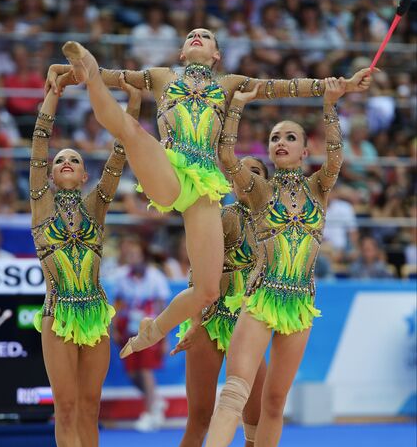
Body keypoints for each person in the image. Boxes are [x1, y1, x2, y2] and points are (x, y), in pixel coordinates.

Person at [45, 30, 372, 361]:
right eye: (192, 36)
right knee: (130, 131)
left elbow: (281, 86)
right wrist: (74, 70)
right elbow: (108, 76)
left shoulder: (230, 84)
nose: (198, 36)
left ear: (216, 55)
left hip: (205, 190)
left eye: (206, 36)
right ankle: (87, 55)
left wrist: (340, 85)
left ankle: (152, 332)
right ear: (182, 52)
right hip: (169, 170)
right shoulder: (161, 77)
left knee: (207, 290)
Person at [192, 76, 348, 447]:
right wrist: (236, 108)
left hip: (300, 304)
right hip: (261, 297)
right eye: (275, 137)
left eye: (290, 137)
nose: (280, 142)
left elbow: (337, 156)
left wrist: (330, 105)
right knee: (236, 390)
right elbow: (224, 158)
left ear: (305, 150)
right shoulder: (258, 192)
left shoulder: (321, 187)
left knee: (275, 404)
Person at [30, 72, 141, 447]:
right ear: (52, 174)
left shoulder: (96, 206)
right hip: (59, 315)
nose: (68, 162)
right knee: (68, 409)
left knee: (92, 410)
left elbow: (118, 159)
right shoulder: (41, 204)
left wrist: (132, 110)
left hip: (95, 315)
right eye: (62, 160)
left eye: (76, 158)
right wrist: (51, 98)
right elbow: (38, 146)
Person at [172, 157, 295, 447]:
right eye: (242, 171)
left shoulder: (275, 221)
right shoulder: (223, 217)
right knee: (200, 417)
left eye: (256, 171)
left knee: (255, 422)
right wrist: (194, 322)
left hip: (249, 322)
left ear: (266, 181)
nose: (248, 176)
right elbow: (198, 272)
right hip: (211, 321)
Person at [112, 235, 170, 432]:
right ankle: (156, 400)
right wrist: (113, 328)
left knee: (145, 368)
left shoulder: (156, 277)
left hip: (149, 327)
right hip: (127, 327)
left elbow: (163, 309)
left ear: (144, 256)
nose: (132, 258)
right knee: (132, 372)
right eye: (129, 254)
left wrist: (164, 337)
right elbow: (117, 303)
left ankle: (150, 412)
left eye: (135, 254)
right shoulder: (121, 276)